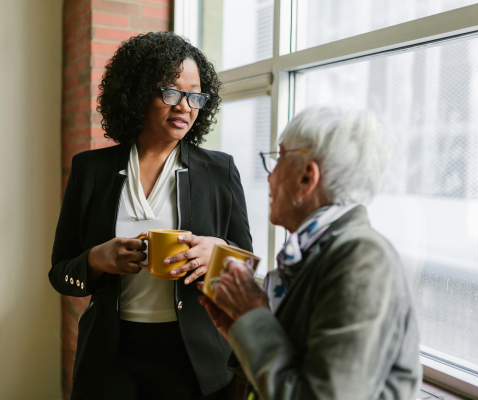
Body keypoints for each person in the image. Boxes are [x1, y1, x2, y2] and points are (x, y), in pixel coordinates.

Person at [49, 32, 252, 400]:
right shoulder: (90, 170)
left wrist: (218, 251)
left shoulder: (219, 170)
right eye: (171, 92)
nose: (185, 107)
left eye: (195, 96)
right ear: (138, 92)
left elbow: (247, 267)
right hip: (110, 357)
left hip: (194, 359)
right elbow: (61, 272)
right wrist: (97, 259)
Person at [200, 107, 422, 400]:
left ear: (307, 177)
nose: (270, 177)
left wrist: (252, 316)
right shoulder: (319, 251)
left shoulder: (363, 259)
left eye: (278, 159)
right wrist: (242, 329)